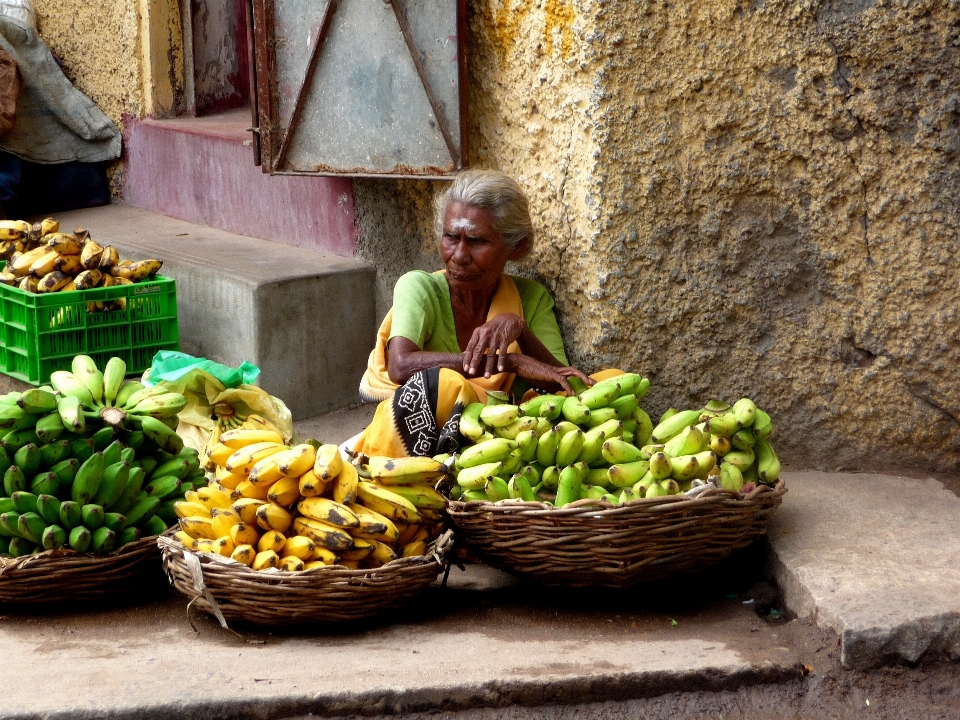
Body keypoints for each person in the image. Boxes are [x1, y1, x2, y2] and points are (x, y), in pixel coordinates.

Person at [354, 169, 616, 459]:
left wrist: (519, 328)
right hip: (421, 440)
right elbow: (400, 366)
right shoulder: (419, 286)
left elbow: (562, 383)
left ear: (517, 247)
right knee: (443, 385)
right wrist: (511, 362)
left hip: (503, 438)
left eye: (477, 241)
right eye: (451, 237)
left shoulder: (530, 297)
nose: (459, 255)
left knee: (612, 380)